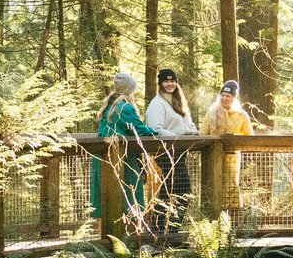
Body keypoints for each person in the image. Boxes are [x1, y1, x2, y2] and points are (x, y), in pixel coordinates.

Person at [89, 71, 162, 224]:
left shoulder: (109, 104)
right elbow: (139, 129)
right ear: (129, 90)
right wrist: (156, 132)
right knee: (129, 193)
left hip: (104, 158)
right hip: (121, 159)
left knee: (107, 196)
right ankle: (128, 236)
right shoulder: (124, 108)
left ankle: (109, 236)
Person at [145, 68, 197, 229]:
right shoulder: (157, 104)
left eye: (172, 81)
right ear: (160, 84)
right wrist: (177, 139)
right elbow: (156, 129)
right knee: (183, 192)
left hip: (179, 152)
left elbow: (188, 123)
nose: (170, 84)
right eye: (166, 81)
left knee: (171, 192)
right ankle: (166, 228)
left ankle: (163, 228)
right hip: (166, 152)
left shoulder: (178, 101)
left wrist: (194, 134)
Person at [201, 79, 254, 207]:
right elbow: (202, 134)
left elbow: (250, 137)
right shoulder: (211, 113)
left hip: (232, 157)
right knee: (212, 185)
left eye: (228, 96)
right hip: (212, 157)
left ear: (234, 98)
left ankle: (233, 222)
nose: (224, 98)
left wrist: (234, 140)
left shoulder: (241, 115)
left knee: (231, 186)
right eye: (222, 95)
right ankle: (211, 220)